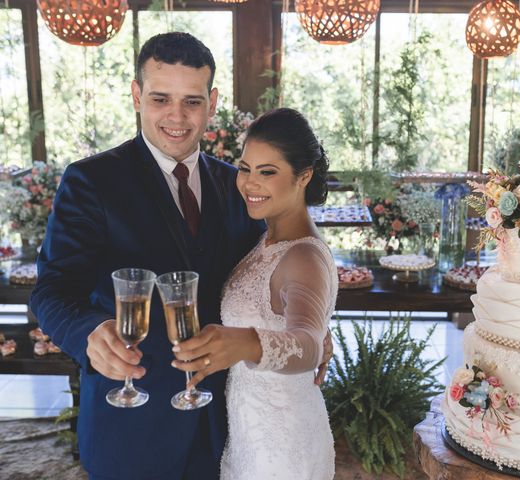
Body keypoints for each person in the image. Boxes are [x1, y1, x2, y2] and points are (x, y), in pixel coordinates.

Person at [29, 33, 329, 480]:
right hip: (132, 427)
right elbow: (51, 289)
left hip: (224, 427)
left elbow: (284, 259)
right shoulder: (91, 181)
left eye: (191, 101)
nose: (177, 116)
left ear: (211, 101)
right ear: (136, 96)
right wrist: (87, 334)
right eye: (160, 98)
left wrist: (316, 324)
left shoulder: (239, 186)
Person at [171, 107, 337, 479]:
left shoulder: (304, 255)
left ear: (303, 176)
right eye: (245, 169)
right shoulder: (267, 238)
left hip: (283, 448)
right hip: (249, 433)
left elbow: (307, 344)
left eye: (267, 172)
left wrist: (247, 343)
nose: (249, 183)